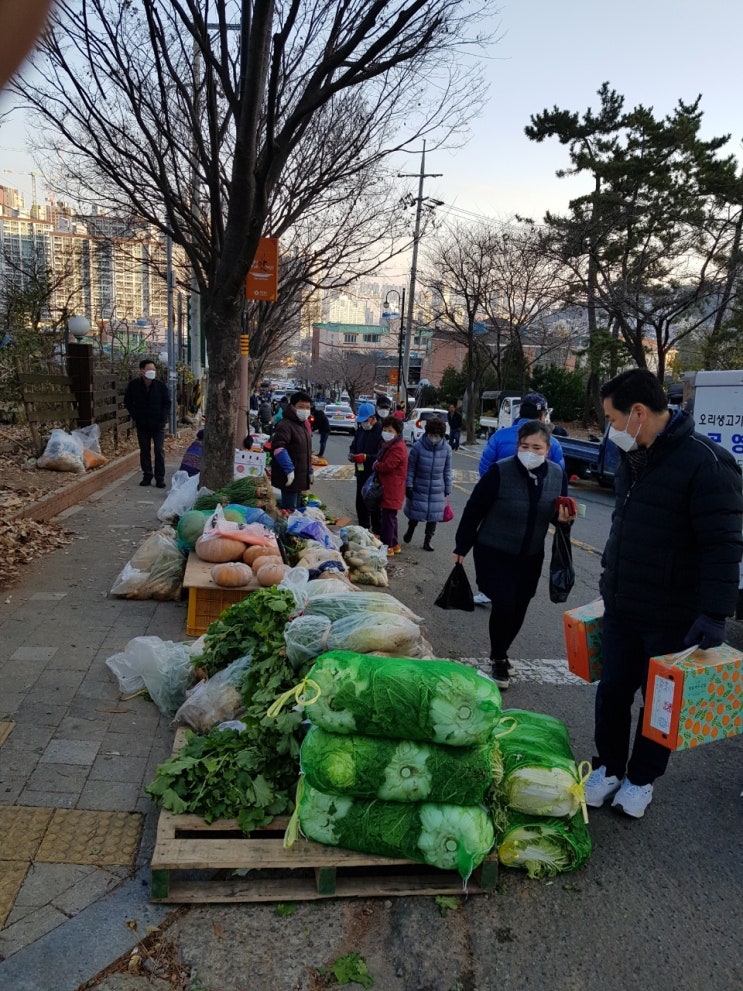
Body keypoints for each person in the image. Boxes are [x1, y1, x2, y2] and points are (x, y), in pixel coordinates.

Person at [585, 368, 743, 819]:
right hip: (624, 605)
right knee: (613, 692)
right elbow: (624, 524)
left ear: (638, 412)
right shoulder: (634, 457)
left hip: (672, 613)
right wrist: (609, 577)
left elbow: (723, 545)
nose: (610, 428)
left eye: (613, 418)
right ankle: (611, 767)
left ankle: (641, 779)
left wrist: (715, 612)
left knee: (660, 703)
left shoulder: (705, 462)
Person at [453, 421, 575, 689]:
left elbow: (557, 514)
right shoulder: (500, 471)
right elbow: (474, 509)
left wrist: (564, 520)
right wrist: (461, 547)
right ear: (518, 445)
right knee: (504, 603)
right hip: (494, 550)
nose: (530, 451)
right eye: (524, 446)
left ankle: (502, 651)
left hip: (530, 554)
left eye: (537, 447)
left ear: (548, 449)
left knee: (520, 605)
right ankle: (498, 658)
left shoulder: (557, 475)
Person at [474, 392, 566, 606]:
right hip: (533, 518)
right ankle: (513, 593)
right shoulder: (551, 444)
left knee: (495, 548)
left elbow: (484, 469)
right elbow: (558, 485)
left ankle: (489, 589)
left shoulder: (500, 436)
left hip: (498, 510)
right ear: (542, 416)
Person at [403, 417, 452, 551]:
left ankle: (427, 541)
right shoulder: (417, 448)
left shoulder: (446, 449)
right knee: (416, 513)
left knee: (433, 517)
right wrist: (409, 485)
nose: (433, 438)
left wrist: (448, 487)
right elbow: (411, 468)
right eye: (431, 435)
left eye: (436, 435)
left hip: (437, 488)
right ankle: (410, 530)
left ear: (441, 435)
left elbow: (447, 470)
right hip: (419, 485)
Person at [124, 359, 171, 488]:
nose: (152, 372)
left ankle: (160, 478)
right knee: (144, 451)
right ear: (142, 370)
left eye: (154, 370)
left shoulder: (160, 386)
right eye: (149, 370)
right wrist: (136, 416)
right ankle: (147, 476)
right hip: (142, 424)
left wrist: (163, 416)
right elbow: (128, 401)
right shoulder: (134, 386)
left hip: (158, 425)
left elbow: (167, 402)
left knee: (159, 450)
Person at [270, 391, 314, 510]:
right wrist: (289, 470)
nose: (305, 410)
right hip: (289, 477)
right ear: (292, 407)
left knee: (295, 510)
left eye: (307, 407)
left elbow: (307, 451)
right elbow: (279, 447)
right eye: (300, 407)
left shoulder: (303, 425)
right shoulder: (285, 425)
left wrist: (309, 470)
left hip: (300, 477)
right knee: (289, 511)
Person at [373, 414, 408, 556]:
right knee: (390, 516)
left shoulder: (398, 447)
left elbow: (388, 466)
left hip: (392, 487)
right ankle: (394, 544)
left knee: (388, 518)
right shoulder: (390, 444)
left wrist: (376, 465)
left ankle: (387, 547)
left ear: (397, 432)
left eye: (390, 431)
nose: (387, 433)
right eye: (385, 429)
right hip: (389, 486)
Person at [348, 402, 383, 534]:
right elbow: (354, 445)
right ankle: (363, 528)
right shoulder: (360, 431)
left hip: (374, 474)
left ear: (373, 418)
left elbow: (381, 456)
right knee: (360, 501)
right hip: (361, 472)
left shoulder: (381, 432)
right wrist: (352, 453)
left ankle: (377, 531)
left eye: (366, 420)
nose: (363, 423)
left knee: (374, 504)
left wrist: (366, 457)